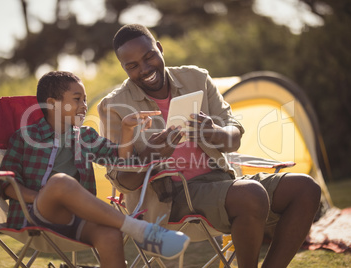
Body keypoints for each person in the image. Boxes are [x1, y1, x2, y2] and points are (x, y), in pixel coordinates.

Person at [97, 24, 322, 268]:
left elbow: (234, 136)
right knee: (251, 194)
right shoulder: (114, 106)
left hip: (222, 183)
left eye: (149, 56)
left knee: (306, 189)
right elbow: (121, 181)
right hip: (170, 199)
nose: (144, 69)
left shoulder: (196, 78)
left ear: (159, 49)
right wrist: (150, 154)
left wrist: (213, 132)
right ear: (124, 68)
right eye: (132, 66)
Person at [0, 71, 190, 267]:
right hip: (34, 215)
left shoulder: (85, 136)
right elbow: (6, 185)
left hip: (75, 218)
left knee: (110, 235)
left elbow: (121, 160)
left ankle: (139, 230)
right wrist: (42, 196)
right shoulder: (25, 137)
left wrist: (126, 129)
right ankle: (140, 230)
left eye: (85, 99)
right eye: (77, 99)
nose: (83, 105)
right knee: (60, 183)